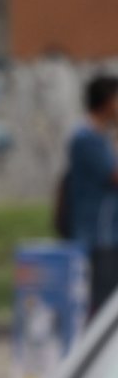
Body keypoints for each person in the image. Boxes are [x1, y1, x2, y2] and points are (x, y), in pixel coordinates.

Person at [65, 75, 118, 315]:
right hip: (98, 234)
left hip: (104, 233)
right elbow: (113, 176)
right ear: (107, 102)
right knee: (102, 303)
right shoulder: (87, 138)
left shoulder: (97, 137)